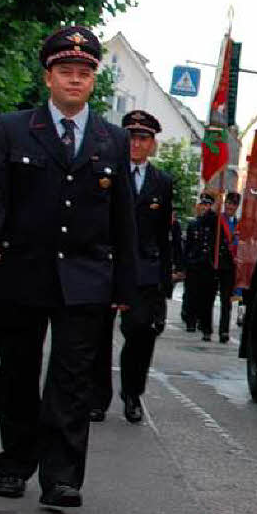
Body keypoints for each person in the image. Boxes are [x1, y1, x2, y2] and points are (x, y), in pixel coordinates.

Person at [0, 26, 138, 509]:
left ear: (94, 80)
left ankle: (62, 477)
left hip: (86, 276)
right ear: (49, 76)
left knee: (72, 379)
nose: (75, 80)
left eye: (84, 72)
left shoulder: (110, 139)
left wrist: (125, 284)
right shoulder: (12, 129)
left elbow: (123, 219)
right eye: (65, 71)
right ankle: (15, 463)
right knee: (17, 371)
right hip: (22, 269)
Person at [91, 110, 172, 424]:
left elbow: (163, 234)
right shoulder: (105, 173)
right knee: (97, 334)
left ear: (152, 144)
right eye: (131, 137)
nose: (136, 144)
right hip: (105, 264)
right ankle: (97, 398)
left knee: (140, 333)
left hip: (143, 270)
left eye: (143, 138)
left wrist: (165, 282)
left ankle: (132, 393)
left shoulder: (161, 182)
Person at [183, 192, 218, 340]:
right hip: (194, 265)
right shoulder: (193, 224)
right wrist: (186, 264)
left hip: (208, 266)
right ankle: (190, 321)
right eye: (203, 204)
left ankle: (206, 328)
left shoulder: (215, 223)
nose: (205, 207)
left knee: (207, 299)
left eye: (208, 205)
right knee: (191, 295)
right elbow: (188, 246)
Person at [217, 191, 240, 343]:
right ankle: (206, 327)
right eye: (228, 203)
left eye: (233, 204)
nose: (230, 207)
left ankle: (223, 331)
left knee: (226, 301)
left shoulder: (239, 224)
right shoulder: (218, 221)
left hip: (229, 266)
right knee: (208, 297)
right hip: (216, 263)